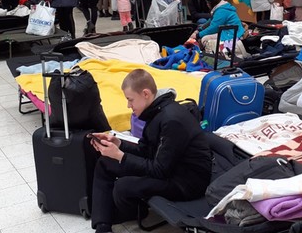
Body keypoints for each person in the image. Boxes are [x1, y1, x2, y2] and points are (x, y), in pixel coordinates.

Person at [90, 69, 211, 233]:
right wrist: (119, 144)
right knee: (105, 162)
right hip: (168, 167)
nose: (128, 105)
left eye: (130, 100)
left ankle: (136, 212)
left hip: (186, 182)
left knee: (123, 186)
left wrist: (120, 156)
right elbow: (145, 148)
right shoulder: (156, 111)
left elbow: (159, 170)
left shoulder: (172, 120)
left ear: (145, 94)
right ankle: (102, 225)